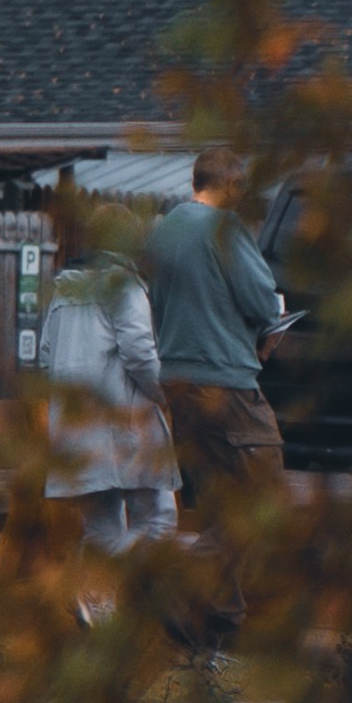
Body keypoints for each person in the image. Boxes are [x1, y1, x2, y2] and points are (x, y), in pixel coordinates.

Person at [134, 141, 291, 631]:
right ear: (228, 185)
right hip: (225, 381)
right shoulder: (224, 228)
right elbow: (262, 300)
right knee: (265, 496)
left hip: (178, 384)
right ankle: (179, 589)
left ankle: (217, 621)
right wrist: (272, 323)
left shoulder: (163, 232)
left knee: (222, 503)